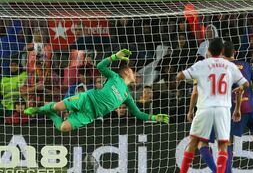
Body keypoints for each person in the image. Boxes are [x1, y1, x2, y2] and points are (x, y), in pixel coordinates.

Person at [188, 41, 253, 173]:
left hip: (231, 108)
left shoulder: (222, 68)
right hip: (251, 107)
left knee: (225, 141)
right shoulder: (246, 65)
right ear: (234, 52)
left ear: (221, 53)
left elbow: (202, 90)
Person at [24, 49, 169, 132]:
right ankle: (38, 109)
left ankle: (49, 113)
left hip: (90, 114)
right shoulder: (114, 77)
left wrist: (154, 118)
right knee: (57, 106)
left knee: (63, 127)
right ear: (125, 72)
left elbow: (138, 113)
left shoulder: (127, 95)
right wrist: (115, 57)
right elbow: (100, 66)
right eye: (132, 71)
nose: (135, 74)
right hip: (86, 98)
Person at [172, 38, 249, 173]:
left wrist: (194, 79)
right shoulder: (230, 66)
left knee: (194, 142)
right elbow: (245, 84)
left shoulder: (201, 65)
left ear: (208, 51)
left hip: (205, 108)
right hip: (223, 109)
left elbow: (180, 76)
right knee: (223, 145)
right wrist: (239, 89)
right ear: (222, 51)